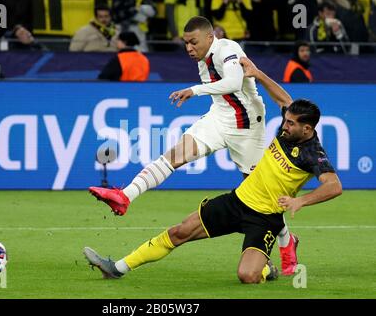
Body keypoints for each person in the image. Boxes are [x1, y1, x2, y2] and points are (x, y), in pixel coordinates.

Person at [83, 57, 342, 283]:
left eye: (291, 124)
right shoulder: (289, 127)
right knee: (179, 232)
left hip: (265, 219)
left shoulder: (313, 154)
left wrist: (301, 201)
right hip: (237, 201)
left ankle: (266, 271)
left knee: (247, 276)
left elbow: (334, 186)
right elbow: (285, 100)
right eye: (285, 121)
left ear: (307, 129)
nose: (284, 126)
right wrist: (258, 73)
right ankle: (116, 268)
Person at [89, 16, 299, 276]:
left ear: (210, 37)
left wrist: (194, 90)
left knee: (261, 196)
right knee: (174, 155)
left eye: (193, 42)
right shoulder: (203, 59)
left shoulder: (228, 49)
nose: (189, 48)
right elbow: (223, 94)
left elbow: (234, 83)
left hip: (247, 128)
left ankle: (286, 240)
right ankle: (125, 196)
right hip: (219, 118)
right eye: (185, 43)